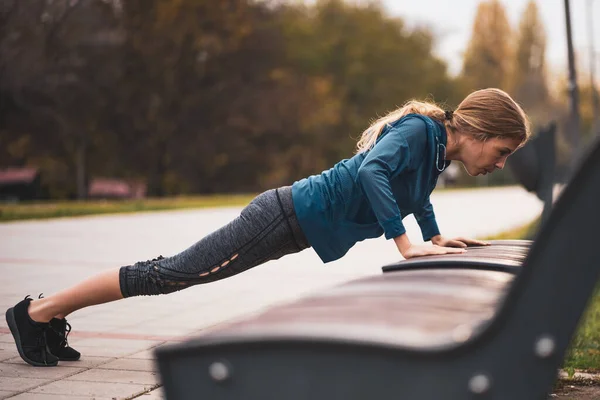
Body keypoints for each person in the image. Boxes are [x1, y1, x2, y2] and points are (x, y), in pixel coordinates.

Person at [5, 87, 530, 367]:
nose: (501, 163)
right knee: (168, 275)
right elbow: (373, 169)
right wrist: (405, 245)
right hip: (280, 217)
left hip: (289, 224)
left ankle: (45, 315)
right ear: (480, 131)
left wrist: (435, 235)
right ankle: (37, 313)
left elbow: (413, 190)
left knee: (170, 273)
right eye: (502, 152)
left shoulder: (435, 148)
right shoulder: (421, 130)